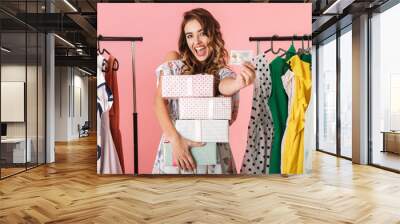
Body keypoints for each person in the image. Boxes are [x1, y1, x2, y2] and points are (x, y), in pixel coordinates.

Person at [152, 8, 256, 174]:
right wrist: (176, 140)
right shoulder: (175, 63)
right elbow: (159, 101)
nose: (197, 41)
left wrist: (238, 83)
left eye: (202, 33)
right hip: (176, 149)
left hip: (213, 153)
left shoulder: (222, 72)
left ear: (213, 35)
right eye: (190, 35)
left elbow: (224, 86)